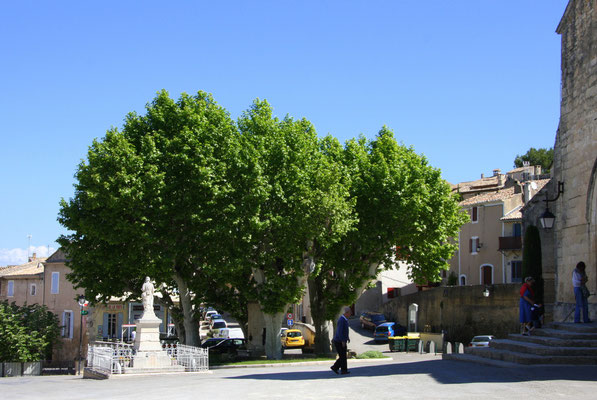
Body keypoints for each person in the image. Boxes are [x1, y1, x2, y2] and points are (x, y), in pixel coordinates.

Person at [331, 306, 351, 375]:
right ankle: (339, 368)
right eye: (350, 312)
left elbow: (345, 331)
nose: (350, 314)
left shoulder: (344, 319)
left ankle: (338, 368)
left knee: (343, 356)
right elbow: (340, 331)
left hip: (341, 340)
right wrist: (343, 341)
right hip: (339, 341)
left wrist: (347, 338)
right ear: (346, 313)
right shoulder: (342, 320)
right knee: (343, 356)